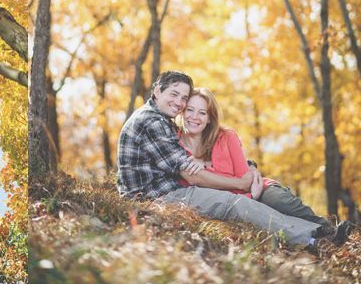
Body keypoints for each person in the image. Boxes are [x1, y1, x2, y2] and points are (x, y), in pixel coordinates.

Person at [116, 71, 348, 247]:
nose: (179, 102)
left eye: (183, 98)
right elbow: (189, 173)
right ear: (157, 90)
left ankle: (320, 232)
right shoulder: (154, 122)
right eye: (173, 94)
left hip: (161, 192)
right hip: (156, 197)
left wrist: (249, 169)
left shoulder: (157, 119)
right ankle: (313, 238)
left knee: (268, 198)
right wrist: (239, 184)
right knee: (233, 204)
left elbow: (198, 166)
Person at [177, 87, 335, 234]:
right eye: (190, 110)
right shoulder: (172, 143)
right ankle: (317, 236)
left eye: (202, 113)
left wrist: (252, 189)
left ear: (210, 118)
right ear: (182, 112)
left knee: (279, 201)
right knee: (272, 218)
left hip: (257, 188)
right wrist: (250, 198)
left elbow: (245, 179)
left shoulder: (227, 137)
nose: (194, 117)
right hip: (236, 202)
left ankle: (331, 232)